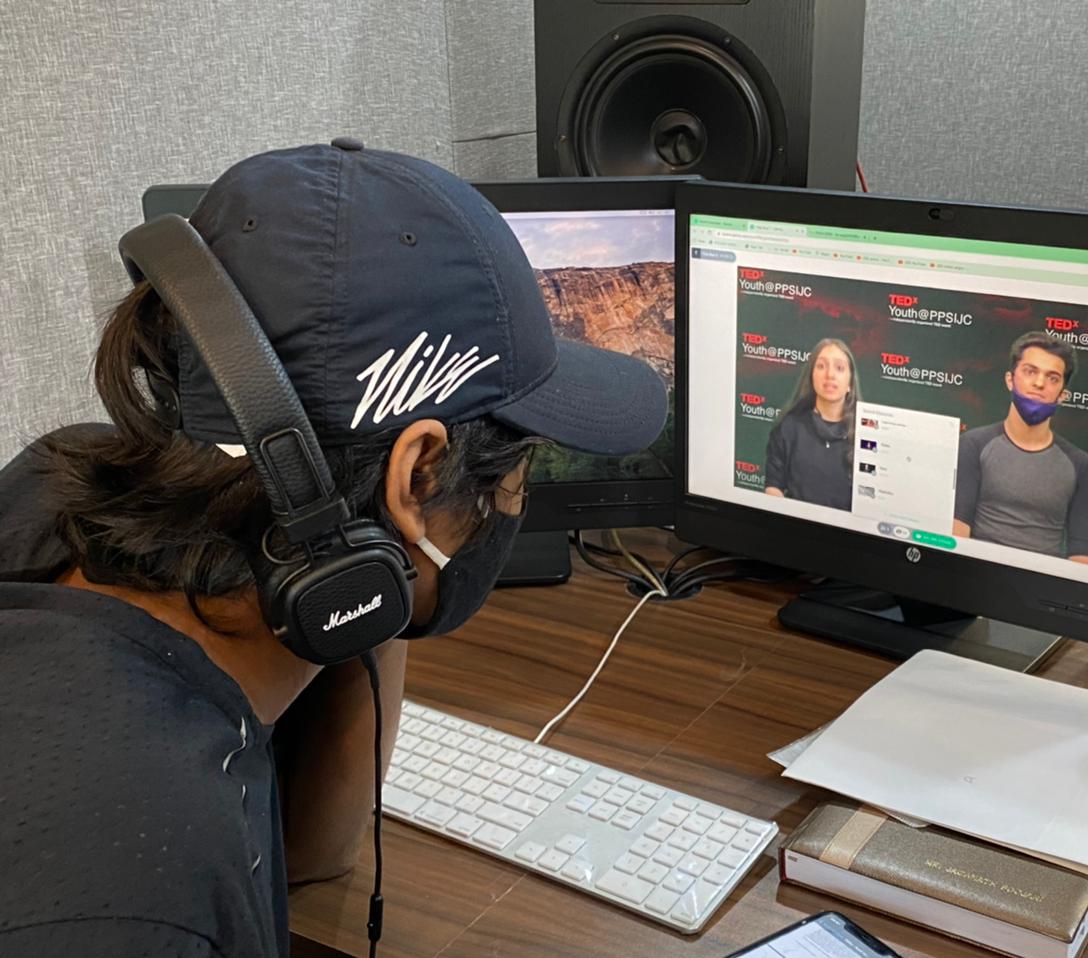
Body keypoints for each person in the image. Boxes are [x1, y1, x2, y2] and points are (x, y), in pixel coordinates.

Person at [0, 139, 667, 956]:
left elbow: (311, 854)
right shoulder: (146, 892)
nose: (513, 501)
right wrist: (375, 528)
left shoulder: (55, 488)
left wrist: (357, 560)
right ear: (419, 475)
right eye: (515, 472)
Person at [953, 331, 1088, 564]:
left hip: (1041, 582)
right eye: (1030, 371)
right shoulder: (973, 445)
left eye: (1052, 378)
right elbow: (957, 530)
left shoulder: (1081, 466)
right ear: (1010, 380)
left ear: (1062, 395)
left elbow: (1084, 554)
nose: (1039, 383)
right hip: (974, 573)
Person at [764, 338, 859, 510]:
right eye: (821, 366)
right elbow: (773, 486)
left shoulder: (864, 435)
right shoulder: (788, 427)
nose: (830, 375)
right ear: (811, 376)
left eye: (839, 368)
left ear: (850, 384)